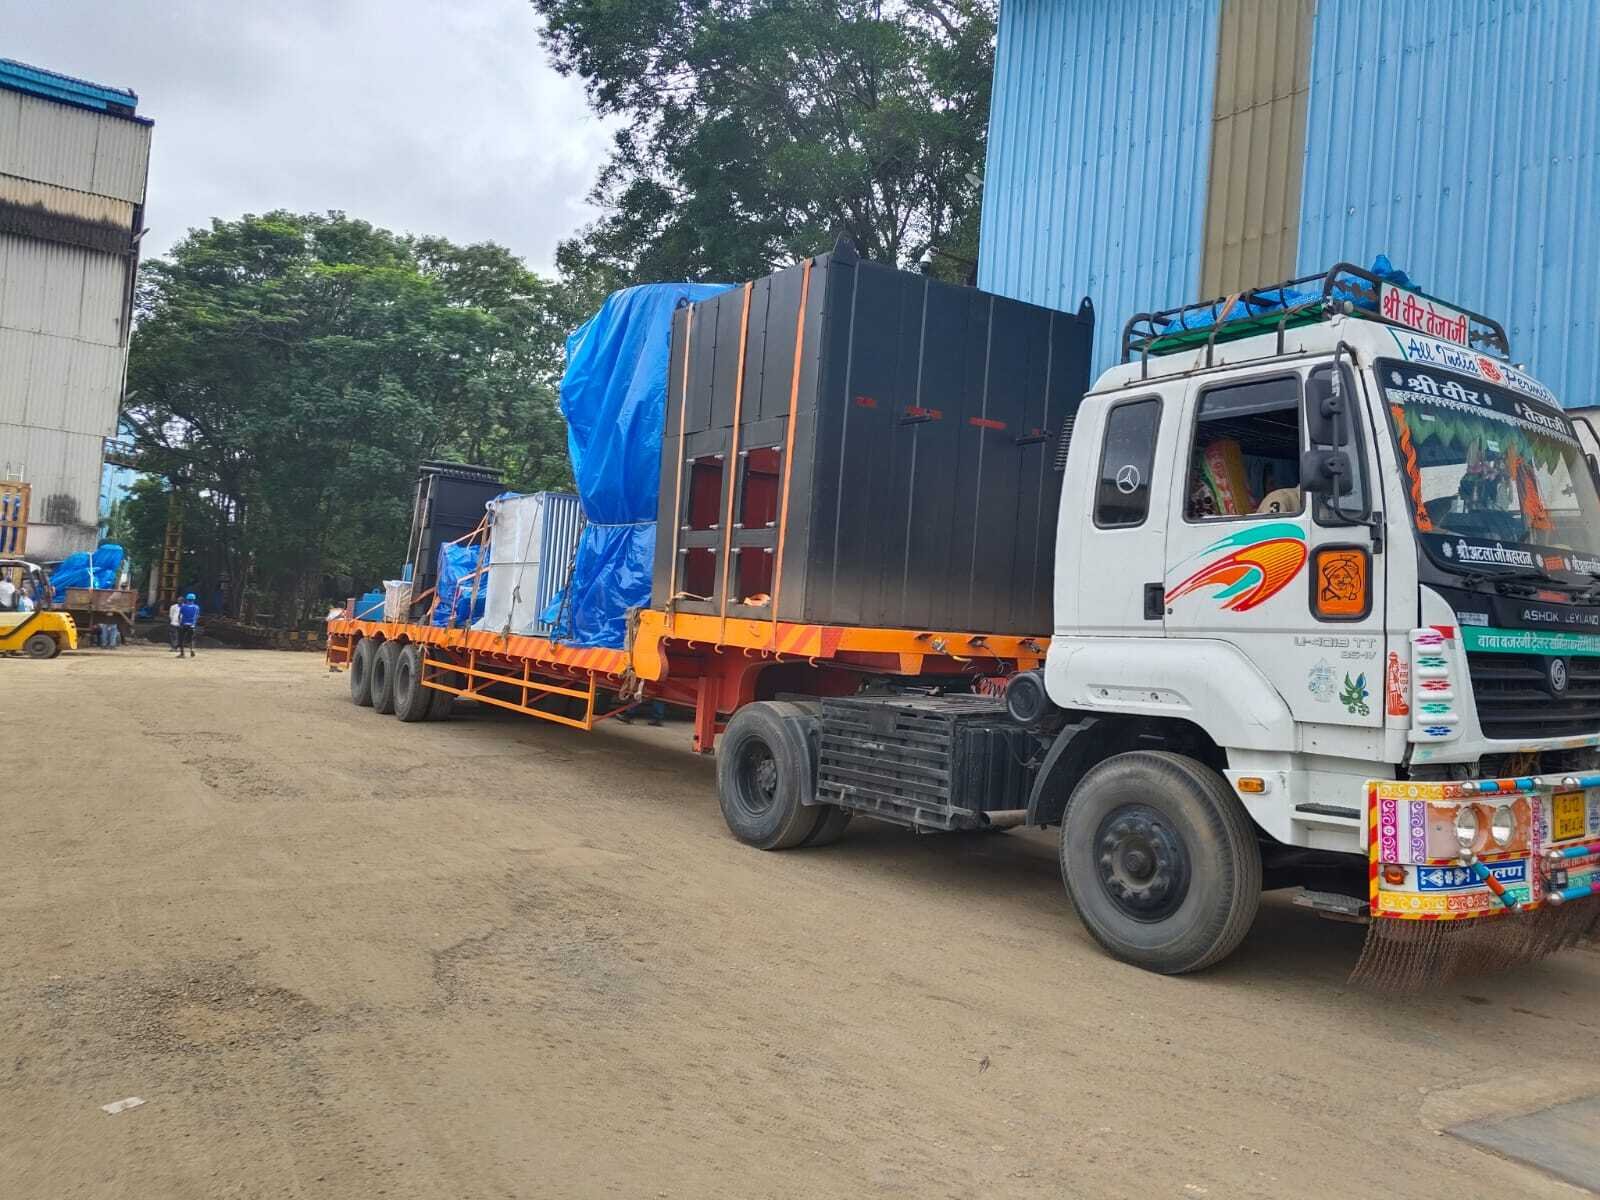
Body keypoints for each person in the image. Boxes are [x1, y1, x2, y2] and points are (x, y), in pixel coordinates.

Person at [177, 592, 200, 658]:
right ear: (194, 599)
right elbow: (197, 616)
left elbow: (179, 616)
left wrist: (180, 623)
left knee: (181, 639)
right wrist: (194, 623)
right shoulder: (196, 607)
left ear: (187, 599)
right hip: (192, 625)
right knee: (191, 639)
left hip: (184, 625)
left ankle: (182, 653)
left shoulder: (183, 606)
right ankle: (192, 650)